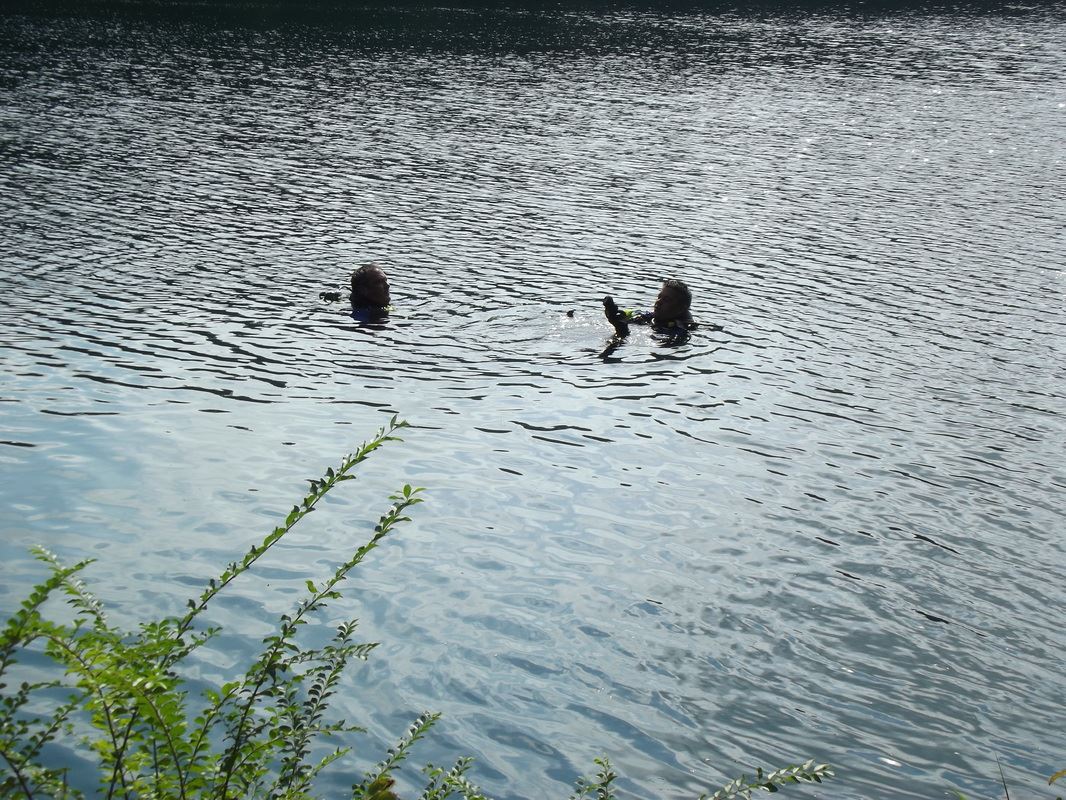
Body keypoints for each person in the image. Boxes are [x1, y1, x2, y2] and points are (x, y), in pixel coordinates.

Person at [603, 278, 696, 338]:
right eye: (659, 297)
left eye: (666, 300)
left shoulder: (680, 330)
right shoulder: (652, 317)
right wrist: (618, 316)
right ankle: (619, 325)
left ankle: (621, 330)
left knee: (620, 337)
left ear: (680, 309)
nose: (658, 301)